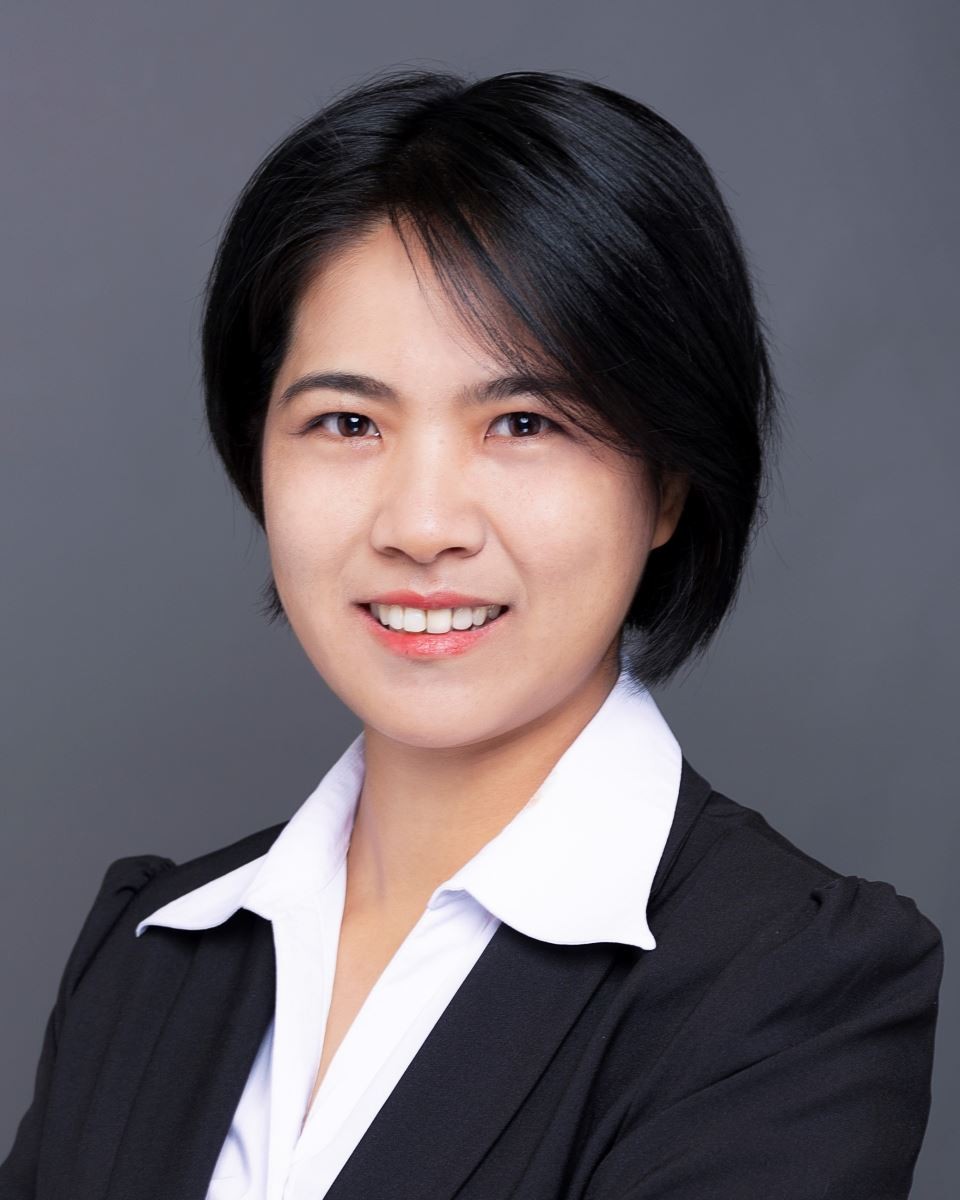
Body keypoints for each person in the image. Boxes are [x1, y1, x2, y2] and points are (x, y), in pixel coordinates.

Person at [1, 67, 943, 1200]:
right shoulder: (149, 957)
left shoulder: (793, 990)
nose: (421, 524)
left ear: (668, 483)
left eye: (525, 423)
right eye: (347, 421)